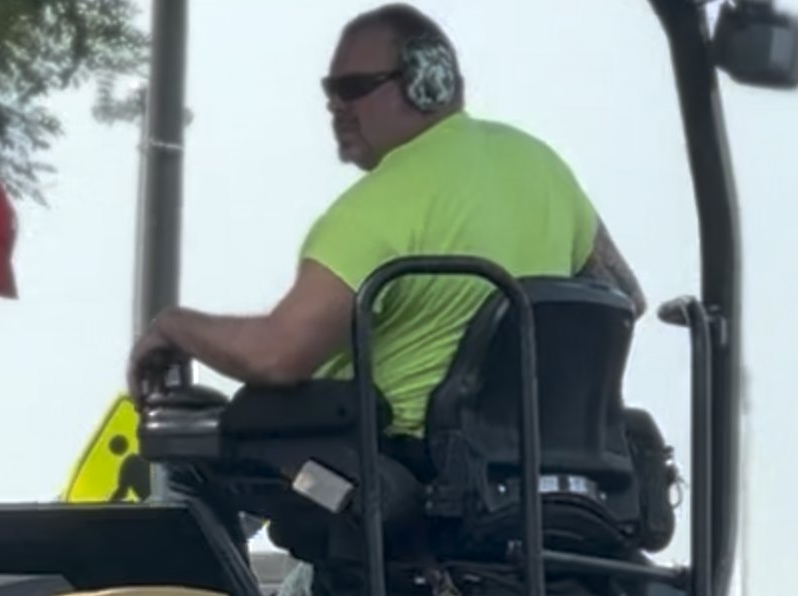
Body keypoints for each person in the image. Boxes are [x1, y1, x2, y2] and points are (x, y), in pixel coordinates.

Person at [127, 7, 642, 427]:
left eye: (354, 88)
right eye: (330, 91)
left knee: (206, 449)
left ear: (428, 81)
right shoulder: (542, 165)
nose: (335, 106)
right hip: (524, 489)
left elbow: (276, 356)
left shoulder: (379, 209)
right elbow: (620, 298)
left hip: (404, 493)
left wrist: (174, 326)